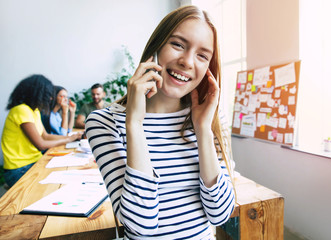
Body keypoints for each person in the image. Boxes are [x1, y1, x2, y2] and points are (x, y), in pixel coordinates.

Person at [85, 5, 235, 239]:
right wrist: (134, 124)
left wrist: (203, 130)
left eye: (202, 55)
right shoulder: (104, 122)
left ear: (208, 69)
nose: (187, 61)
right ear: (155, 47)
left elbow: (221, 214)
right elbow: (140, 226)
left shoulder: (207, 118)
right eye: (177, 44)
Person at [1, 75, 83, 187]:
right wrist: (69, 139)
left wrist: (72, 137)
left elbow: (45, 136)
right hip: (19, 169)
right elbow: (41, 144)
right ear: (38, 94)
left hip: (34, 162)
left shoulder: (34, 111)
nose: (50, 99)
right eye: (48, 95)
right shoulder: (21, 110)